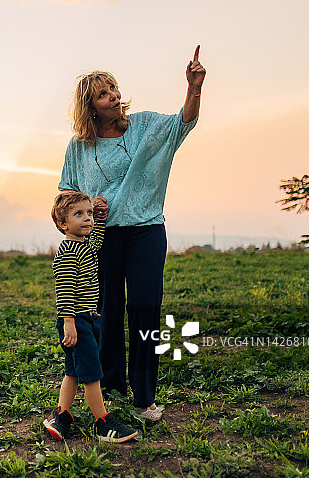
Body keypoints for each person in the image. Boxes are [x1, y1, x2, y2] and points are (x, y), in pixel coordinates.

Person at [58, 46, 206, 421]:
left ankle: (144, 398)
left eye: (114, 88)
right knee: (105, 313)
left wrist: (194, 88)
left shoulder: (144, 126)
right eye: (103, 93)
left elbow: (183, 122)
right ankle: (110, 390)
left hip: (146, 232)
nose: (114, 96)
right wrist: (88, 205)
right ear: (91, 107)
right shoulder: (79, 147)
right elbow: (66, 193)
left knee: (144, 312)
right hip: (100, 239)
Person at [43, 190, 138, 443]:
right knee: (93, 373)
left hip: (87, 318)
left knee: (73, 370)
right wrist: (69, 323)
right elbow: (64, 290)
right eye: (79, 214)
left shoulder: (84, 245)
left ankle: (62, 415)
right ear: (62, 224)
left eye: (89, 214)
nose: (87, 218)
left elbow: (97, 242)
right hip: (76, 320)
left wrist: (101, 218)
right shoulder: (67, 252)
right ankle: (103, 422)